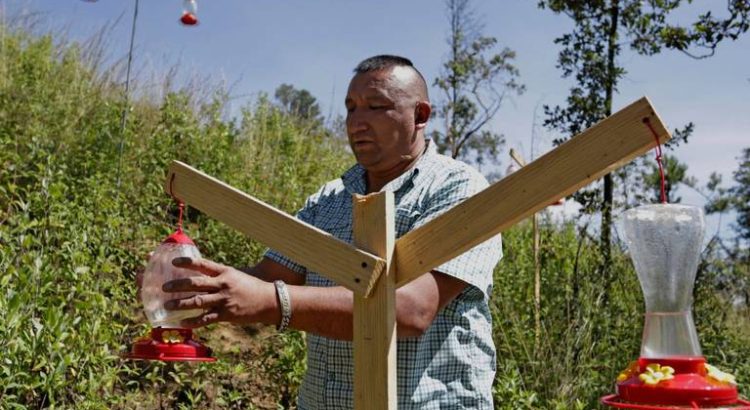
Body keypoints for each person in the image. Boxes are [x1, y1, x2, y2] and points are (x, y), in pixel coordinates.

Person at [162, 55, 503, 409]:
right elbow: (271, 277)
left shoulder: (459, 190)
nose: (357, 122)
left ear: (420, 115)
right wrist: (191, 283)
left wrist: (271, 302)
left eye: (375, 107)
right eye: (351, 108)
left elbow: (413, 309)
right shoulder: (329, 199)